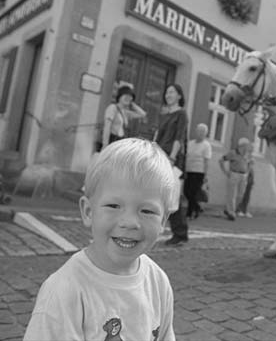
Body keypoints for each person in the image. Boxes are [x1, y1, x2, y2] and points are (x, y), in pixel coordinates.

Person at [23, 138, 178, 341]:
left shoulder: (158, 282)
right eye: (114, 206)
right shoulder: (65, 290)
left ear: (163, 222)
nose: (130, 222)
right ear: (88, 212)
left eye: (147, 211)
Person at [156, 83, 189, 246]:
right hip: (160, 155)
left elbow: (179, 136)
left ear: (179, 96)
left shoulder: (181, 114)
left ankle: (180, 232)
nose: (168, 95)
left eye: (172, 92)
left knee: (173, 195)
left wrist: (173, 156)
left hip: (172, 158)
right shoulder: (165, 114)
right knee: (160, 192)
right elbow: (158, 135)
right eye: (167, 92)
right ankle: (158, 226)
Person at [101, 85, 146, 150]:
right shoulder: (113, 108)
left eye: (130, 97)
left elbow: (143, 114)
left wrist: (132, 104)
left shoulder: (125, 112)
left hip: (120, 142)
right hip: (112, 141)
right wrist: (105, 144)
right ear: (119, 96)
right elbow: (107, 127)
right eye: (126, 96)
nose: (128, 98)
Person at [219, 137, 252, 221]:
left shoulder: (247, 154)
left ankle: (229, 209)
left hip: (243, 175)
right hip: (234, 173)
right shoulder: (233, 153)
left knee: (240, 195)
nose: (248, 147)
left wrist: (247, 172)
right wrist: (226, 172)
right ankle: (231, 212)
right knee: (231, 194)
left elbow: (248, 164)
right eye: (247, 145)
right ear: (242, 145)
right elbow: (221, 160)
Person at [184, 123, 212, 220]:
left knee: (193, 192)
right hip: (189, 170)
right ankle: (197, 207)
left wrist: (205, 175)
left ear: (205, 134)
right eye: (199, 131)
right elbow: (186, 156)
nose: (200, 133)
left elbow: (206, 161)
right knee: (186, 191)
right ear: (196, 132)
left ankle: (189, 213)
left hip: (199, 172)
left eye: (203, 132)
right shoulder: (190, 143)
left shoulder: (206, 145)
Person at [236, 142, 254, 218]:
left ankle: (245, 210)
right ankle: (238, 209)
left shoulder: (250, 156)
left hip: (250, 175)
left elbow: (251, 166)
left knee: (248, 193)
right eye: (250, 148)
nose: (252, 149)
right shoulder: (243, 155)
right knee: (241, 193)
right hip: (244, 174)